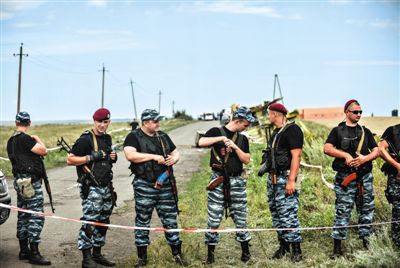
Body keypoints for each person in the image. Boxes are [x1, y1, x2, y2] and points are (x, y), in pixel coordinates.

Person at [123, 109, 188, 267]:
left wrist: (174, 159)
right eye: (155, 121)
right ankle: (142, 258)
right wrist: (153, 157)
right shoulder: (133, 136)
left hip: (165, 184)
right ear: (145, 123)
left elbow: (175, 152)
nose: (158, 123)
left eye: (159, 120)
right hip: (145, 185)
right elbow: (130, 155)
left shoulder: (163, 136)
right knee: (143, 221)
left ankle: (177, 255)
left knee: (170, 220)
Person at [198, 106, 256, 264]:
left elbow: (246, 160)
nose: (247, 127)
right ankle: (210, 256)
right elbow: (201, 142)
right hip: (218, 180)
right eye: (245, 124)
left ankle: (245, 252)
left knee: (241, 217)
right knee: (214, 218)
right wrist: (220, 140)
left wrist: (235, 147)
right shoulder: (216, 131)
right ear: (237, 121)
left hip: (237, 181)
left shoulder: (242, 138)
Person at [324, 99, 379, 257]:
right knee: (342, 212)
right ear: (346, 112)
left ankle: (367, 243)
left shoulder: (365, 131)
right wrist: (345, 155)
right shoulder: (337, 131)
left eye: (360, 112)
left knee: (367, 210)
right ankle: (337, 248)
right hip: (345, 178)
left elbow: (376, 151)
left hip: (364, 178)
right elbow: (327, 148)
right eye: (355, 112)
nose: (359, 114)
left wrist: (365, 159)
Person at [67, 108, 117, 268]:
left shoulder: (107, 138)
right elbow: (70, 159)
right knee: (90, 221)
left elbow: (106, 158)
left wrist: (112, 157)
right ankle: (86, 258)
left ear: (109, 122)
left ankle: (97, 254)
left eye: (105, 122)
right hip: (92, 187)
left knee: (103, 221)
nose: (102, 125)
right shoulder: (86, 139)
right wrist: (90, 157)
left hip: (106, 186)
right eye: (99, 122)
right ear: (93, 121)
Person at [259, 103, 304, 262]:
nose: (268, 117)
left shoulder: (292, 130)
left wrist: (291, 180)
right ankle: (283, 246)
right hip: (274, 179)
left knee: (289, 213)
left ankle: (296, 250)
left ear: (275, 114)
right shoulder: (276, 132)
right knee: (277, 213)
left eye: (269, 114)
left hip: (286, 177)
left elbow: (296, 156)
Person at [6, 111, 51, 265]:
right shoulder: (26, 139)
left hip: (19, 182)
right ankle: (34, 252)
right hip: (31, 182)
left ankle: (23, 250)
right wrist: (38, 139)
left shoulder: (10, 141)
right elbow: (43, 150)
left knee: (23, 214)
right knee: (36, 215)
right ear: (29, 123)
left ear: (16, 122)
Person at [378, 124, 400, 249]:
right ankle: (396, 242)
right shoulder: (393, 130)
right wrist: (397, 166)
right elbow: (381, 149)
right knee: (398, 209)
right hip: (396, 177)